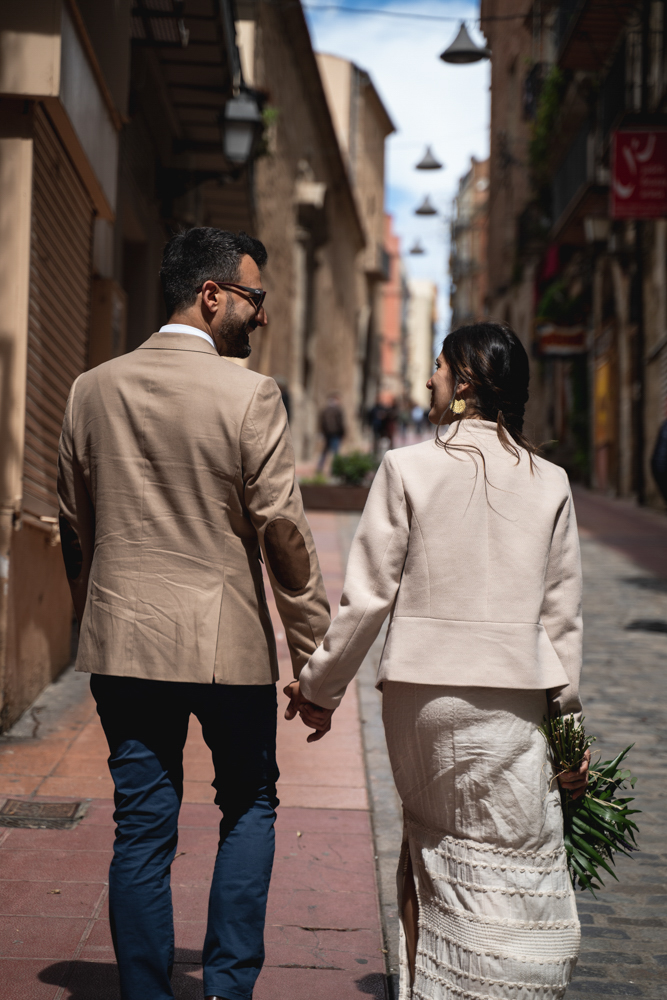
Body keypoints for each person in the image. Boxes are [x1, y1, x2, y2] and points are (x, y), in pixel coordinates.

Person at [57, 227, 331, 1000]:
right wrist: (315, 661)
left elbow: (73, 521)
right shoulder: (249, 395)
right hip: (224, 648)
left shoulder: (90, 388)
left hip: (123, 642)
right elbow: (283, 531)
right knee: (249, 802)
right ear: (211, 295)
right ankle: (226, 988)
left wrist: (99, 611)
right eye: (255, 298)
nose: (262, 317)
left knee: (142, 824)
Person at [286, 322, 589, 999]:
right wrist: (568, 740)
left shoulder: (406, 468)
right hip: (513, 699)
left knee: (435, 848)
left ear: (461, 386)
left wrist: (319, 688)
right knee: (511, 860)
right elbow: (561, 624)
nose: (427, 381)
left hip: (420, 699)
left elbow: (363, 600)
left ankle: (436, 982)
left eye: (437, 369)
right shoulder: (550, 483)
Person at [317, 392, 346, 471]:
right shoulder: (337, 410)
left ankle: (320, 467)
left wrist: (323, 432)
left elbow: (321, 422)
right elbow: (340, 423)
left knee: (325, 452)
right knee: (335, 452)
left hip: (327, 433)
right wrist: (343, 432)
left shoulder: (325, 409)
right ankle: (336, 468)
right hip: (335, 433)